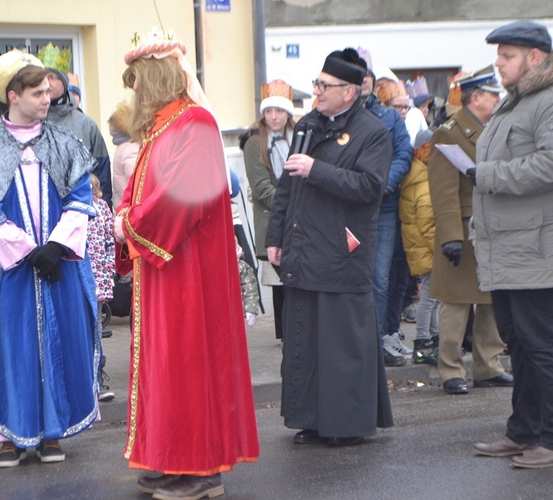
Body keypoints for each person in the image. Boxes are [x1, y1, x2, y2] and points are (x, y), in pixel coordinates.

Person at [114, 30, 259, 499]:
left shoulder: (192, 124)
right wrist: (125, 215)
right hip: (162, 269)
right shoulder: (162, 127)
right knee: (163, 366)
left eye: (135, 81)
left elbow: (179, 200)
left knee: (186, 364)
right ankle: (170, 457)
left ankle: (198, 468)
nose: (131, 92)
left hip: (188, 270)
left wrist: (127, 225)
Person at [0, 49, 99, 468]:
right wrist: (26, 251)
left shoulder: (65, 142)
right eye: (37, 92)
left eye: (48, 90)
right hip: (8, 269)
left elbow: (80, 198)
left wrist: (55, 247)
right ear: (13, 95)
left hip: (59, 265)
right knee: (9, 344)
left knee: (60, 337)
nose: (47, 97)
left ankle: (53, 431)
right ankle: (8, 435)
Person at [266, 47, 394, 447]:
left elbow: (370, 188)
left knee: (340, 346)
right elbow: (287, 187)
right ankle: (311, 419)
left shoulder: (372, 131)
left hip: (342, 251)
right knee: (304, 340)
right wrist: (274, 237)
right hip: (304, 247)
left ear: (349, 92)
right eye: (317, 84)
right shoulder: (308, 124)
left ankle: (346, 425)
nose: (317, 91)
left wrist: (317, 169)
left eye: (325, 85)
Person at [471, 21, 553, 469]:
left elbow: (547, 165)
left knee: (541, 347)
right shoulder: (514, 104)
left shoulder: (547, 101)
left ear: (535, 57)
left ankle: (549, 438)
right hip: (505, 247)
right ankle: (523, 432)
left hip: (537, 249)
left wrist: (483, 176)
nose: (498, 63)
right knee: (518, 344)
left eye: (506, 55)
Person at [426, 66, 509, 395]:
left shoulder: (493, 127)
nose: (498, 98)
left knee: (491, 300)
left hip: (492, 225)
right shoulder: (449, 132)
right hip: (460, 228)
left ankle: (489, 365)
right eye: (493, 94)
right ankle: (451, 370)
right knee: (456, 304)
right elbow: (443, 189)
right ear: (476, 98)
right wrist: (450, 237)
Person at [359, 57, 414, 367]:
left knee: (381, 277)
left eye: (369, 78)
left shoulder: (390, 118)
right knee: (355, 276)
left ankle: (379, 340)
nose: (364, 83)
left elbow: (403, 154)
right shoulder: (342, 118)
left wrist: (381, 186)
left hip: (384, 206)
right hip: (351, 208)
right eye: (360, 78)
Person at [241, 79, 296, 341]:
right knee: (279, 277)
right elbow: (261, 187)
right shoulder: (255, 142)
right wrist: (295, 204)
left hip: (297, 217)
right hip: (273, 216)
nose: (274, 116)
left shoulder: (297, 137)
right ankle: (286, 333)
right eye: (269, 111)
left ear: (288, 113)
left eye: (280, 111)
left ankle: (294, 330)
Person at [37, 43, 113, 207]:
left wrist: (102, 213)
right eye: (44, 78)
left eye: (53, 77)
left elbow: (102, 175)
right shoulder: (30, 122)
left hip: (80, 210)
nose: (48, 83)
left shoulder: (85, 125)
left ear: (64, 83)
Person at [398, 130, 439, 365]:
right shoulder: (424, 183)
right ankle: (424, 344)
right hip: (428, 250)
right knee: (431, 298)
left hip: (419, 248)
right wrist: (440, 249)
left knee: (434, 297)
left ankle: (433, 341)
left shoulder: (415, 177)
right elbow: (429, 224)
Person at [86, 174, 116, 402]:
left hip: (97, 278)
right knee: (80, 328)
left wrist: (109, 274)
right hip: (76, 276)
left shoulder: (102, 207)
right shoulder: (67, 208)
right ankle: (85, 382)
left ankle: (97, 379)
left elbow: (109, 241)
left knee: (95, 327)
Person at [108, 101, 139, 210]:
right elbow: (136, 182)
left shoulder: (123, 147)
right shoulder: (130, 148)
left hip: (122, 207)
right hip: (130, 209)